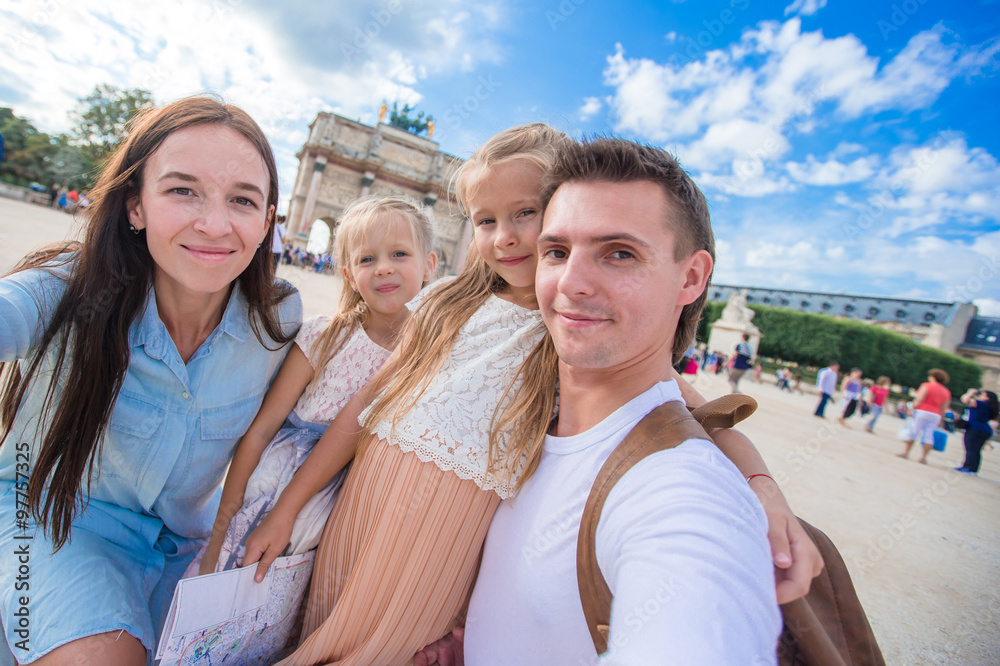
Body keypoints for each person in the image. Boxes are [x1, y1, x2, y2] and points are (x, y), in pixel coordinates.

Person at [249, 127, 818, 666]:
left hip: (439, 544)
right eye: (485, 220)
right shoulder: (446, 300)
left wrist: (764, 491)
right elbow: (363, 411)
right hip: (363, 504)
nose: (506, 237)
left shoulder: (567, 331)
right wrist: (290, 508)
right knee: (316, 635)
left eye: (526, 214)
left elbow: (691, 415)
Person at [418, 138, 823, 666]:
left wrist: (761, 491)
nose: (572, 283)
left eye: (620, 253)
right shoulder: (524, 393)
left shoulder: (682, 496)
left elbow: (692, 601)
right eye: (557, 251)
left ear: (693, 277)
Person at [0, 97, 301, 665]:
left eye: (242, 200)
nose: (214, 224)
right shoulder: (68, 290)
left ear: (267, 223)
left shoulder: (278, 320)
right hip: (50, 520)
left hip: (181, 550)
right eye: (183, 190)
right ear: (134, 205)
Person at [195, 196, 437, 576]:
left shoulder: (435, 360)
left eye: (400, 254)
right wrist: (220, 528)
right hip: (271, 494)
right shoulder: (324, 337)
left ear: (430, 265)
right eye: (367, 259)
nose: (384, 268)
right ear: (348, 273)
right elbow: (260, 431)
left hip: (353, 512)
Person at [898, 369, 952, 464]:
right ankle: (923, 457)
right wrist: (941, 418)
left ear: (933, 377)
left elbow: (920, 399)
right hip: (936, 414)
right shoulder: (946, 392)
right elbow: (944, 407)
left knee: (913, 432)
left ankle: (906, 452)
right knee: (928, 436)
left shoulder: (926, 386)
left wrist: (912, 408)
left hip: (922, 411)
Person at [955, 388, 999, 475]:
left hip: (975, 428)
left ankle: (967, 467)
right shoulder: (989, 406)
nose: (980, 395)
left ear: (987, 398)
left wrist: (970, 393)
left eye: (983, 394)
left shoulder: (981, 404)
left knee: (970, 448)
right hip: (984, 429)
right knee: (976, 450)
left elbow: (965, 399)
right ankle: (973, 469)